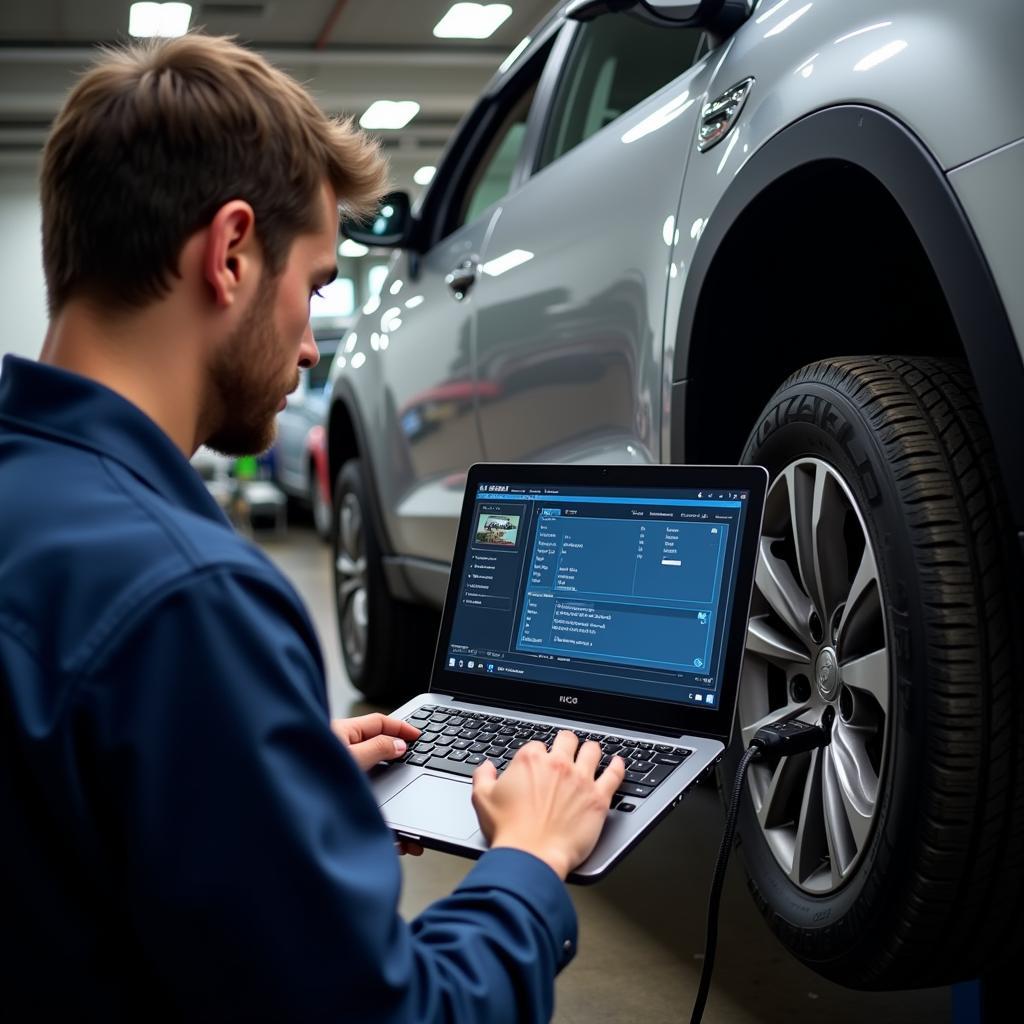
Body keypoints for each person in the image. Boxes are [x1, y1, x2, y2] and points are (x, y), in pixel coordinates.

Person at [0, 32, 627, 1022]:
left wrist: (244, 776)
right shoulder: (189, 600)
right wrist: (527, 861)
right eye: (320, 285)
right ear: (232, 252)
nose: (309, 347)